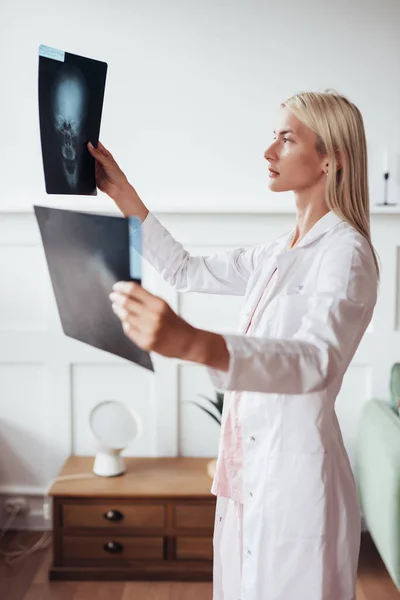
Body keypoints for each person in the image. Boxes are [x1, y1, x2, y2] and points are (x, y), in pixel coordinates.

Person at [88, 89, 380, 600]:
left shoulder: (347, 255)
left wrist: (197, 344)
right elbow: (184, 270)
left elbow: (318, 362)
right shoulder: (276, 252)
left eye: (287, 139)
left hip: (297, 481)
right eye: (273, 137)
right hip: (249, 473)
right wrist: (123, 193)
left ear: (332, 158)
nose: (269, 152)